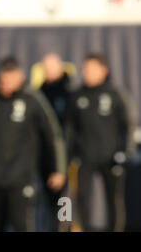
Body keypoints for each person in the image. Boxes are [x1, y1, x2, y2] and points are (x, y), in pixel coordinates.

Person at [0, 57, 67, 232]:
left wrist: (59, 169)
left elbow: (53, 135)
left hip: (22, 180)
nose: (7, 85)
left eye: (11, 79)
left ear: (21, 77)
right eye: (4, 80)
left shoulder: (32, 99)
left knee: (22, 226)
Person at [65, 53, 136, 232]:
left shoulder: (115, 94)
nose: (87, 73)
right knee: (81, 198)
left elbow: (128, 124)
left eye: (92, 69)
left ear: (103, 70)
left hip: (111, 156)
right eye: (85, 69)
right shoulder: (77, 95)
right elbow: (70, 128)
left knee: (114, 199)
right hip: (85, 156)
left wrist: (124, 152)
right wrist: (71, 153)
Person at [37, 53, 73, 231]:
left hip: (67, 156)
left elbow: (70, 128)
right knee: (47, 201)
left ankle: (65, 228)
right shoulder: (40, 93)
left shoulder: (69, 93)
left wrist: (66, 158)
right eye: (46, 68)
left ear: (60, 68)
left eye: (52, 67)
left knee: (65, 200)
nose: (48, 72)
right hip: (44, 157)